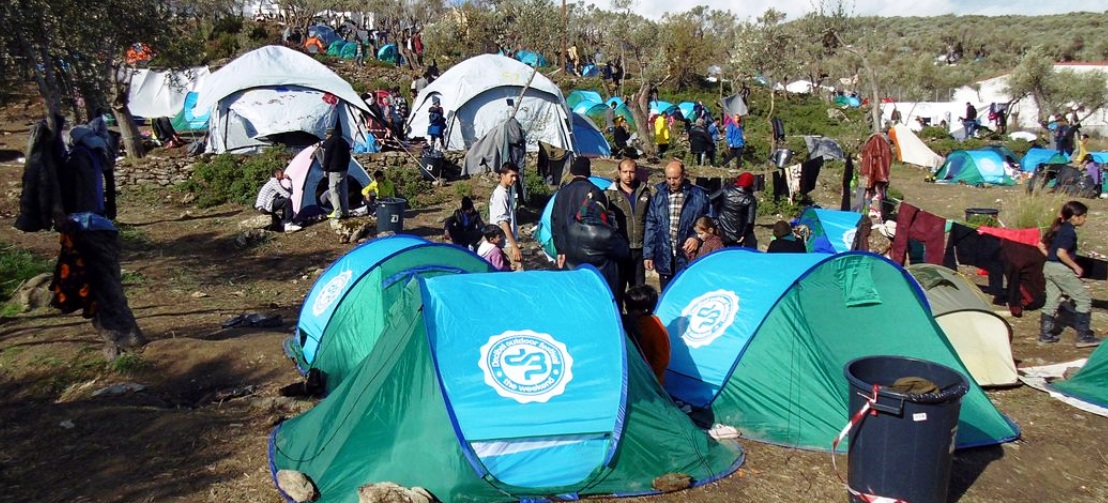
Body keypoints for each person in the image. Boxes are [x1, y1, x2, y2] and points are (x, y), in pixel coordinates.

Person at [550, 157, 628, 295]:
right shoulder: (594, 191)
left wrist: (560, 249)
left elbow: (555, 222)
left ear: (573, 172)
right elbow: (603, 220)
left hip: (569, 249)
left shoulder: (562, 193)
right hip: (594, 248)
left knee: (574, 290)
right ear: (588, 172)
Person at [1039, 201, 1101, 348]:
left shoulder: (1059, 228)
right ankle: (1083, 337)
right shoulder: (1069, 232)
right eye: (1084, 216)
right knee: (1084, 300)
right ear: (1075, 216)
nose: (1085, 219)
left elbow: (1040, 245)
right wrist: (1075, 267)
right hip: (1061, 269)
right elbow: (1061, 253)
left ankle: (1045, 336)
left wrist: (1050, 258)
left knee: (1052, 301)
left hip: (1049, 267)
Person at [644, 160, 710, 290]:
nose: (672, 182)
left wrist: (697, 237)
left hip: (689, 256)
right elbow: (651, 225)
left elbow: (711, 219)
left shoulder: (698, 195)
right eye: (668, 178)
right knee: (667, 294)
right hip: (664, 255)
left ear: (684, 175)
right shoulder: (658, 197)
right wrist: (648, 254)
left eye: (675, 178)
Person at [606, 158, 653, 302]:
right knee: (617, 290)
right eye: (625, 172)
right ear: (619, 172)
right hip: (619, 250)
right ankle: (619, 321)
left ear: (636, 172)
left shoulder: (646, 192)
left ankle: (637, 322)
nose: (628, 175)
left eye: (631, 172)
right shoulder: (609, 194)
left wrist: (649, 252)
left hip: (638, 249)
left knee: (638, 292)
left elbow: (651, 221)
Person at [621, 284, 670, 384]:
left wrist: (651, 376)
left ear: (644, 310)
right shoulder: (631, 321)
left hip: (651, 379)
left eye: (630, 308)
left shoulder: (655, 327)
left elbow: (662, 358)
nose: (626, 308)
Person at [489, 162, 522, 269]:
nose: (514, 179)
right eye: (511, 176)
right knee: (519, 276)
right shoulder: (501, 195)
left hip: (505, 242)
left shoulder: (503, 192)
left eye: (515, 176)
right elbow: (503, 223)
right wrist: (514, 246)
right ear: (503, 176)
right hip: (506, 244)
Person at [711, 172, 757, 248]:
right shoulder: (750, 199)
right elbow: (750, 221)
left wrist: (714, 220)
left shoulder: (726, 190)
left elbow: (709, 200)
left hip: (720, 230)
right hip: (737, 234)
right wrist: (744, 235)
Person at [322, 127, 351, 219]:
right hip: (344, 170)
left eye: (326, 135)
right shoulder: (344, 141)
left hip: (334, 170)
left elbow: (327, 157)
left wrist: (325, 169)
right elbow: (349, 155)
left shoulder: (330, 142)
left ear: (328, 135)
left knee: (333, 190)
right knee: (343, 190)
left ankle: (337, 212)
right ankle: (346, 211)